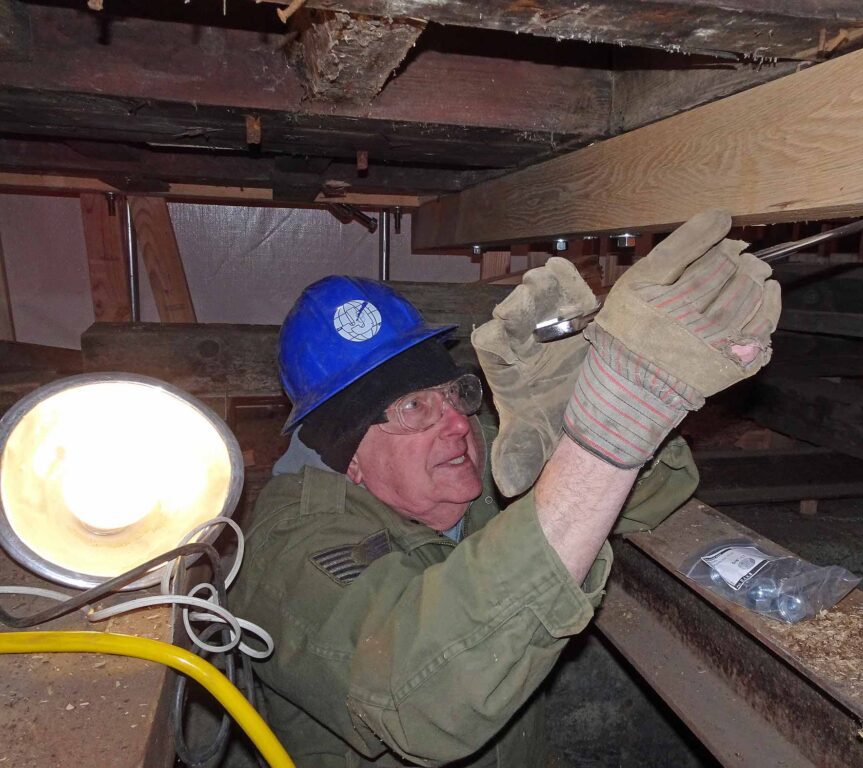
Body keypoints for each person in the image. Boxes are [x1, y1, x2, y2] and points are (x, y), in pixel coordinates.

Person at [230, 210, 780, 767]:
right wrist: (610, 429)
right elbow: (422, 699)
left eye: (454, 394)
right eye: (415, 407)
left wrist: (572, 413)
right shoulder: (291, 556)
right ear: (348, 457)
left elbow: (651, 497)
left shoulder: (472, 455)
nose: (455, 424)